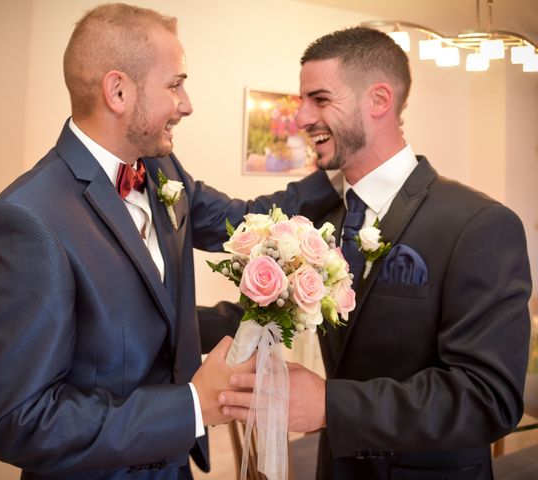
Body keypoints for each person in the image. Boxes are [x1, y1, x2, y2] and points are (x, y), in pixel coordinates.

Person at [0, 4, 341, 479]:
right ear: (118, 91)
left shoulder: (162, 171)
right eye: (175, 84)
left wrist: (342, 173)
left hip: (173, 467)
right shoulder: (25, 221)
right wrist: (192, 406)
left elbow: (242, 220)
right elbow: (18, 421)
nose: (187, 103)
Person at [220, 27, 532, 480]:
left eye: (320, 99)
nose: (302, 117)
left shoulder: (480, 224)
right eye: (303, 100)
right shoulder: (321, 214)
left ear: (379, 100)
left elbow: (488, 397)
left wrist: (330, 405)